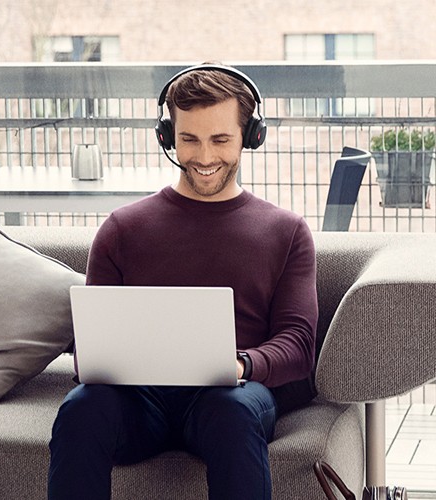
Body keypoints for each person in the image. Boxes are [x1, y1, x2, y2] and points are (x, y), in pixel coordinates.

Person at [48, 63, 318, 500]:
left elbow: (298, 345)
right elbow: (88, 355)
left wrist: (239, 365)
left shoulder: (285, 231)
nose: (205, 157)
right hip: (138, 403)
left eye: (221, 139)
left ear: (251, 137)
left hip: (232, 397)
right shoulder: (122, 229)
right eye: (189, 138)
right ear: (166, 136)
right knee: (83, 407)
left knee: (231, 410)